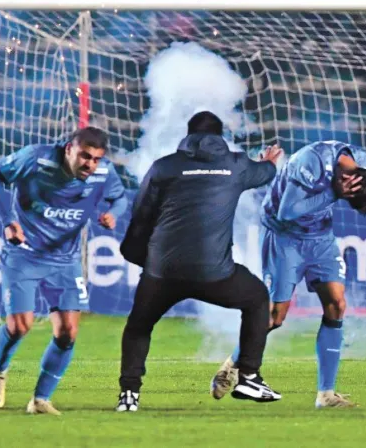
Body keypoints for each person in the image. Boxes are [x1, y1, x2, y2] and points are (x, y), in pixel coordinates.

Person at [116, 111, 283, 412]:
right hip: (214, 273)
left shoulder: (164, 167)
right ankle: (249, 376)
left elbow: (141, 217)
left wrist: (139, 257)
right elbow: (266, 174)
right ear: (220, 136)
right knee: (257, 298)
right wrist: (269, 161)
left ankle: (129, 396)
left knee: (139, 326)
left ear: (188, 134)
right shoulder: (236, 165)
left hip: (162, 271)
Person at [212, 140, 366, 409]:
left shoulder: (364, 163)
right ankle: (232, 364)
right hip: (283, 236)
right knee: (275, 317)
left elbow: (361, 192)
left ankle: (326, 395)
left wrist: (365, 199)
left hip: (321, 237)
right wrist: (333, 195)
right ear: (344, 178)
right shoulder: (309, 161)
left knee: (336, 304)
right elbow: (287, 211)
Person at [0, 126, 128, 415]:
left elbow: (119, 198)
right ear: (68, 150)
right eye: (85, 156)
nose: (90, 164)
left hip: (65, 260)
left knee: (68, 333)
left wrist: (114, 214)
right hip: (24, 254)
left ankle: (40, 400)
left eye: (96, 159)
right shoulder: (35, 159)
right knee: (19, 326)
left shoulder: (105, 173)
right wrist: (9, 221)